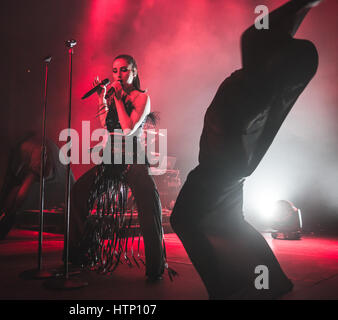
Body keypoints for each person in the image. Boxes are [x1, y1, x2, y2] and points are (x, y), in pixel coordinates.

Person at [170, 0, 320, 299]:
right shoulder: (258, 83)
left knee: (183, 220)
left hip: (219, 168)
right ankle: (274, 281)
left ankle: (223, 288)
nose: (254, 46)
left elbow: (256, 38)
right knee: (231, 223)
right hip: (227, 167)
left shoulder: (256, 87)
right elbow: (264, 34)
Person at [68, 55, 166, 280]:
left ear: (134, 71)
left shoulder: (142, 97)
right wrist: (102, 99)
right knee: (79, 192)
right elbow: (106, 124)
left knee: (148, 206)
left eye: (123, 70)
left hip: (133, 159)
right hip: (111, 159)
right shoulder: (114, 98)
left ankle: (155, 267)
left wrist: (119, 99)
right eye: (114, 71)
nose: (118, 75)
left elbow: (129, 128)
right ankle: (77, 256)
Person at [0, 133, 74, 259]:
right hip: (39, 174)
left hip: (41, 174)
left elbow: (33, 172)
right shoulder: (37, 151)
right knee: (15, 206)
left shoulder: (41, 152)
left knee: (15, 205)